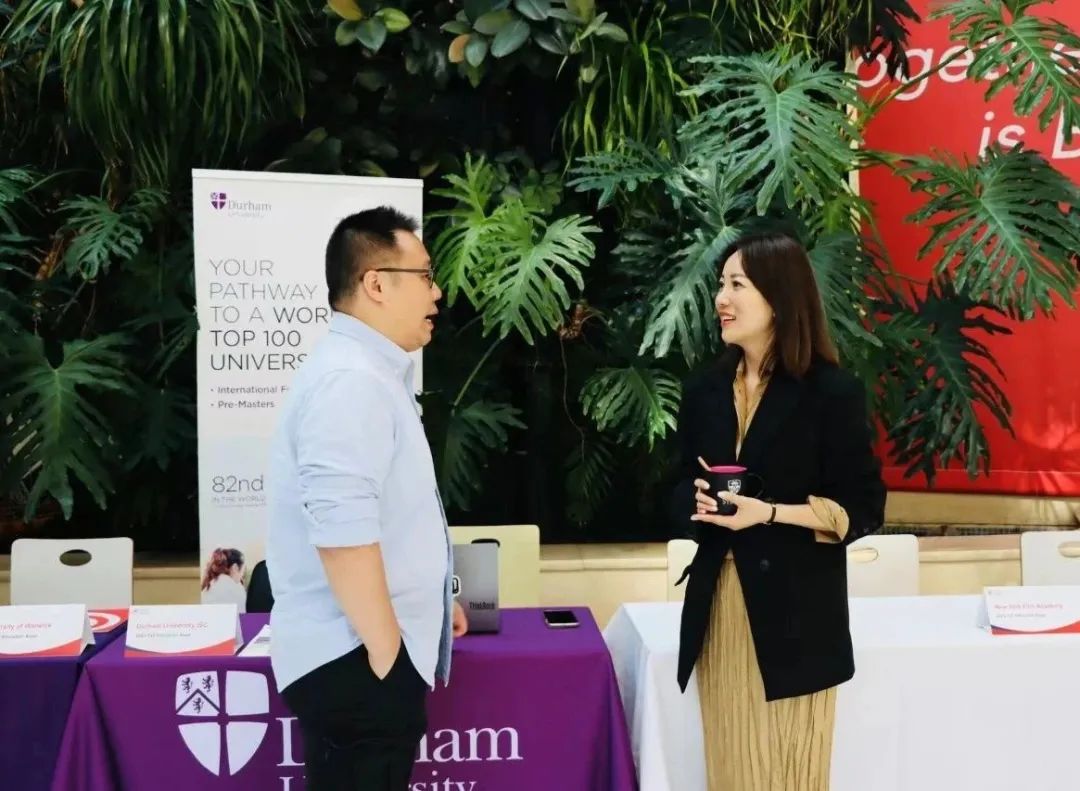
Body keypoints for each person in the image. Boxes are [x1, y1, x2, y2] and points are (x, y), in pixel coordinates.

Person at [670, 231, 886, 791]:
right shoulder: (704, 391)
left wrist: (767, 514)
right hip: (721, 611)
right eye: (721, 284)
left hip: (797, 622)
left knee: (790, 775)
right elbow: (675, 487)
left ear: (779, 296)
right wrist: (696, 502)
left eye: (737, 284)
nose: (721, 298)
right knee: (732, 773)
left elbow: (863, 505)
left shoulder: (829, 392)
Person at [266, 206, 468, 791]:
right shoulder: (351, 381)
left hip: (361, 657)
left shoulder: (367, 373)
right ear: (376, 284)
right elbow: (343, 535)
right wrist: (388, 655)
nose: (437, 292)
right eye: (425, 275)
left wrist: (429, 602)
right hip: (357, 659)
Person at [200, 547, 247, 613]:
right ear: (235, 568)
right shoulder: (235, 588)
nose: (242, 577)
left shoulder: (208, 587)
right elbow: (245, 618)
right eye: (242, 572)